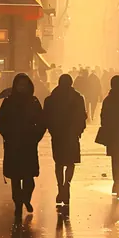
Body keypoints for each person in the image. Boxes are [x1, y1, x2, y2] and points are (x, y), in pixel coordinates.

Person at [0, 73, 46, 221]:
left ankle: (26, 199)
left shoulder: (34, 102)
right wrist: (7, 135)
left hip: (29, 144)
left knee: (29, 178)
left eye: (24, 85)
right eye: (19, 85)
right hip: (13, 144)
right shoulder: (9, 102)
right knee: (16, 178)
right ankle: (18, 204)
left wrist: (36, 137)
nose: (22, 87)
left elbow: (42, 122)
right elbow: (0, 121)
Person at [43, 74, 87, 208]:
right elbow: (82, 116)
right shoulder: (78, 98)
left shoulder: (51, 99)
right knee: (70, 162)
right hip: (72, 135)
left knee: (59, 163)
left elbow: (46, 117)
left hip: (58, 135)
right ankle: (66, 184)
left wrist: (52, 130)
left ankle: (60, 187)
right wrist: (79, 130)